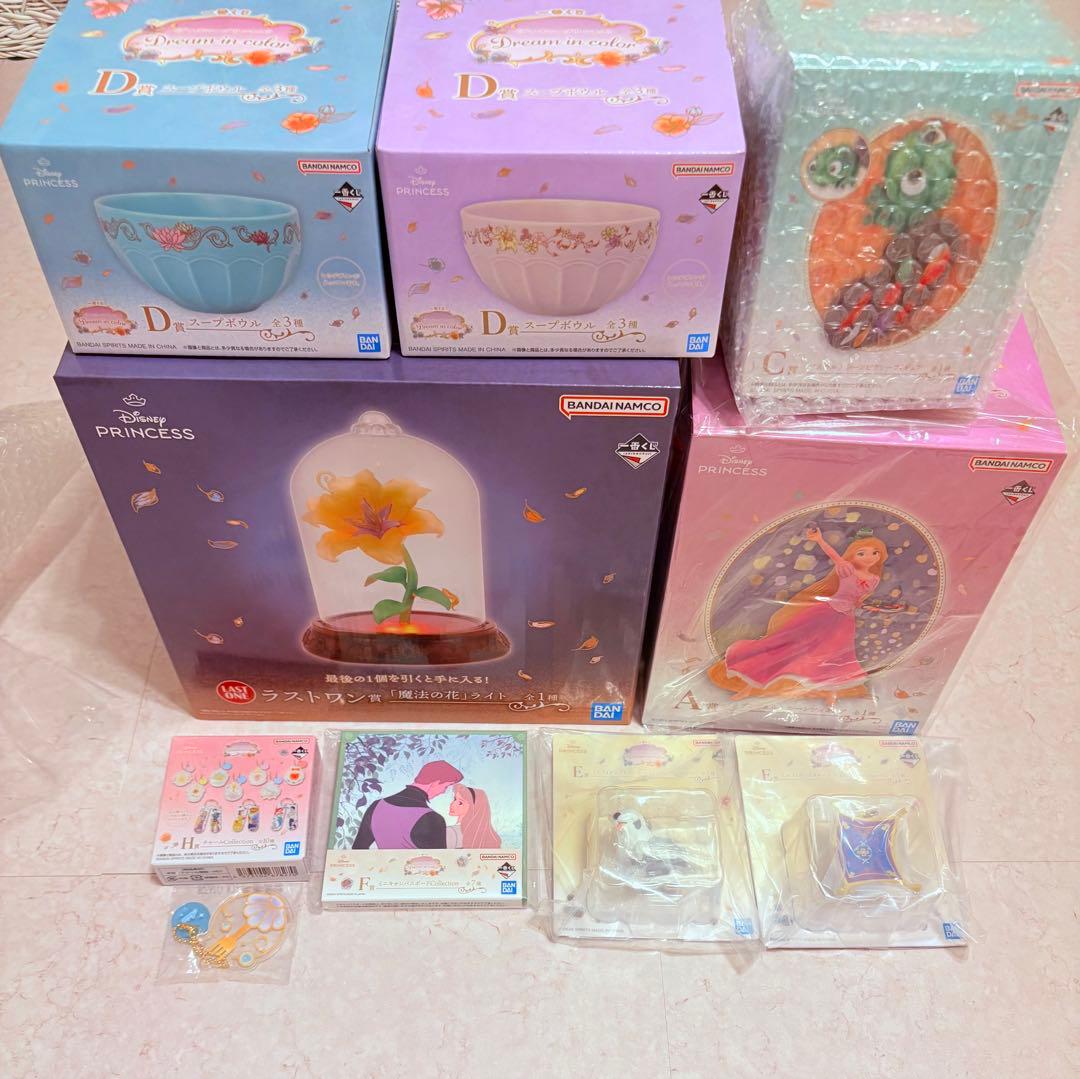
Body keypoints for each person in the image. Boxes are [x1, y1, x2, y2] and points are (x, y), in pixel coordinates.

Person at [710, 526, 888, 700]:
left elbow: (857, 600)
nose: (869, 557)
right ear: (852, 555)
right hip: (824, 613)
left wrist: (869, 607)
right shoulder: (847, 568)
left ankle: (829, 691)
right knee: (789, 645)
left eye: (875, 553)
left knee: (836, 655)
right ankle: (752, 684)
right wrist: (819, 539)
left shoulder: (874, 579)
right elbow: (833, 555)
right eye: (862, 553)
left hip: (845, 621)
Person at [352, 760, 463, 849]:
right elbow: (439, 861)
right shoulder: (432, 818)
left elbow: (358, 849)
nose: (443, 792)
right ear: (435, 783)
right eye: (446, 786)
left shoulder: (376, 806)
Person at [445, 784, 501, 848]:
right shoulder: (490, 836)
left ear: (474, 807)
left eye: (460, 803)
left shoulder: (451, 832)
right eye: (455, 799)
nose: (452, 804)